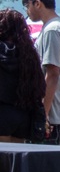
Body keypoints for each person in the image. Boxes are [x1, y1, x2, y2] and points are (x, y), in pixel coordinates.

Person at [23, 0, 60, 145]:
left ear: (37, 3)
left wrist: (43, 114)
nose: (27, 11)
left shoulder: (52, 30)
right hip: (53, 115)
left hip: (52, 117)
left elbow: (52, 74)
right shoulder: (52, 28)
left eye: (27, 6)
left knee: (50, 169)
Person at [0, 9, 46, 143]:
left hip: (2, 113)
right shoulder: (29, 55)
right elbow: (40, 88)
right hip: (23, 117)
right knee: (16, 162)